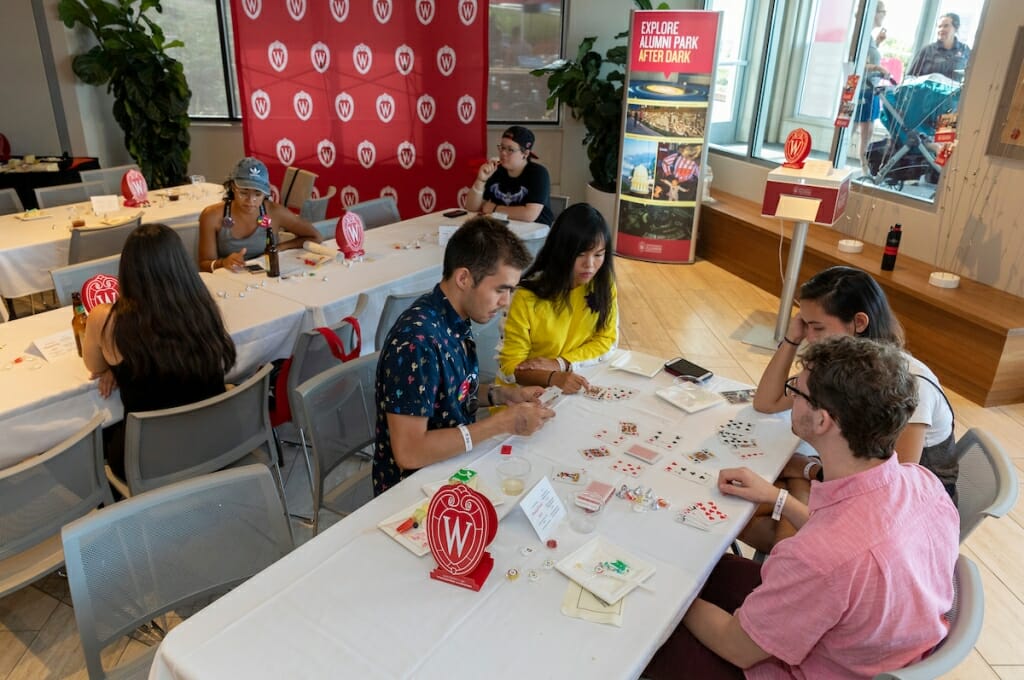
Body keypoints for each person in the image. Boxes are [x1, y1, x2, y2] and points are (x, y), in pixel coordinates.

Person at [643, 336, 960, 679]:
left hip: (798, 666)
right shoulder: (923, 483)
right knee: (714, 566)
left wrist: (671, 593)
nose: (791, 395)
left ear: (822, 420)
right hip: (876, 648)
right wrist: (777, 498)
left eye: (797, 390)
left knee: (642, 627)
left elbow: (736, 647)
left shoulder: (820, 559)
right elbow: (849, 545)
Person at [746, 266, 956, 551]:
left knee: (770, 501)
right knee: (757, 499)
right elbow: (766, 402)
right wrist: (792, 338)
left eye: (817, 327)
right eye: (804, 324)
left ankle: (781, 567)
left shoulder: (905, 384)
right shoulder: (842, 366)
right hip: (849, 482)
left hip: (902, 517)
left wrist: (807, 474)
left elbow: (893, 491)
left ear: (858, 322)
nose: (809, 336)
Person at [373, 216, 556, 496]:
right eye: (500, 290)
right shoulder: (417, 342)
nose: (506, 302)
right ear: (463, 278)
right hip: (414, 492)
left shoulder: (454, 318)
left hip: (454, 467)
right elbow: (409, 453)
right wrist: (501, 422)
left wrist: (501, 395)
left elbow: (450, 395)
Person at [82, 223, 236, 479]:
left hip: (149, 457)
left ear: (128, 270)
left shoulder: (105, 318)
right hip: (216, 438)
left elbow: (93, 366)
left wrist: (114, 364)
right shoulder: (200, 305)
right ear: (181, 264)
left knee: (101, 432)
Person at [497, 203, 618, 395]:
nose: (590, 265)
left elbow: (607, 340)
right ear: (561, 251)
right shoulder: (526, 296)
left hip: (576, 381)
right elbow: (510, 367)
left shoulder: (603, 284)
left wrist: (560, 364)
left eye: (598, 255)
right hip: (524, 397)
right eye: (580, 254)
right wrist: (552, 377)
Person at [198, 157, 322, 273]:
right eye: (243, 192)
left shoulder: (274, 212)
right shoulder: (212, 216)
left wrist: (280, 247)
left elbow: (315, 236)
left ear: (265, 194)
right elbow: (204, 264)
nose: (250, 200)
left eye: (258, 194)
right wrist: (223, 263)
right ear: (232, 187)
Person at [465, 126, 554, 225]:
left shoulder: (538, 173)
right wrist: (480, 181)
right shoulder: (496, 170)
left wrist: (494, 209)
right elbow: (471, 208)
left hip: (535, 233)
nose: (503, 153)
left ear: (525, 153)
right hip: (502, 230)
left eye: (510, 150)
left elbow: (529, 214)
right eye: (502, 147)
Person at [855, 2, 892, 173]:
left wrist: (878, 43)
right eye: (883, 12)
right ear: (874, 13)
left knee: (867, 127)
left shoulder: (868, 37)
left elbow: (868, 57)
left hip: (870, 88)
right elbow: (857, 62)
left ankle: (864, 164)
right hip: (861, 88)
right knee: (854, 126)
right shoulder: (859, 35)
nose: (884, 15)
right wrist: (878, 68)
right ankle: (852, 162)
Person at [907, 12, 971, 81]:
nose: (941, 29)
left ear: (956, 27)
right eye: (939, 26)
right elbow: (910, 78)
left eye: (946, 26)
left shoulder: (965, 50)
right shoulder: (927, 50)